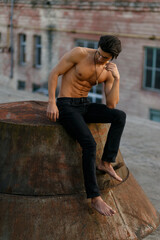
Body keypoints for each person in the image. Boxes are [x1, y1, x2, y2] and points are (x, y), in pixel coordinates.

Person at [46, 35, 126, 216]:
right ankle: (95, 198)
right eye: (99, 54)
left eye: (105, 57)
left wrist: (117, 79)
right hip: (66, 105)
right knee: (90, 144)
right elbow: (54, 73)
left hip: (85, 105)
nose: (100, 58)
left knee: (119, 116)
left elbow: (111, 104)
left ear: (112, 58)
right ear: (97, 48)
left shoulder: (108, 71)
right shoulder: (80, 54)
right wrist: (51, 102)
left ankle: (106, 162)